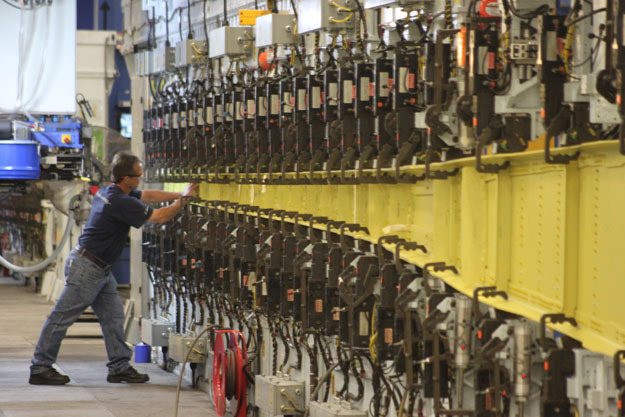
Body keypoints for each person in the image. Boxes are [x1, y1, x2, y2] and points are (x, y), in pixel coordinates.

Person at [29, 152, 198, 385]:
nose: (140, 180)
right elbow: (158, 217)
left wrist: (179, 193)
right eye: (137, 176)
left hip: (99, 268)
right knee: (61, 317)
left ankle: (119, 367)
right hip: (88, 267)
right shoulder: (121, 201)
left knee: (113, 317)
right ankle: (40, 367)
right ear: (126, 178)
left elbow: (147, 195)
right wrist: (184, 201)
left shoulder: (112, 191)